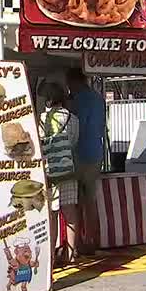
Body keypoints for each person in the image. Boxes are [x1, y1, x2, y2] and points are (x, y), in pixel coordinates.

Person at [38, 82, 80, 265]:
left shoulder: (42, 119)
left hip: (49, 172)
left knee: (52, 214)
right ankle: (71, 254)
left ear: (47, 99)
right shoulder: (73, 119)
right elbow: (73, 142)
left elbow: (40, 145)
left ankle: (51, 257)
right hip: (68, 169)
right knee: (70, 212)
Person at [64, 68, 104, 255]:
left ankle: (78, 242)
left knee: (77, 201)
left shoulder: (78, 100)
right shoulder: (98, 99)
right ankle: (93, 239)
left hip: (79, 154)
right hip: (96, 151)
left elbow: (75, 127)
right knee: (91, 200)